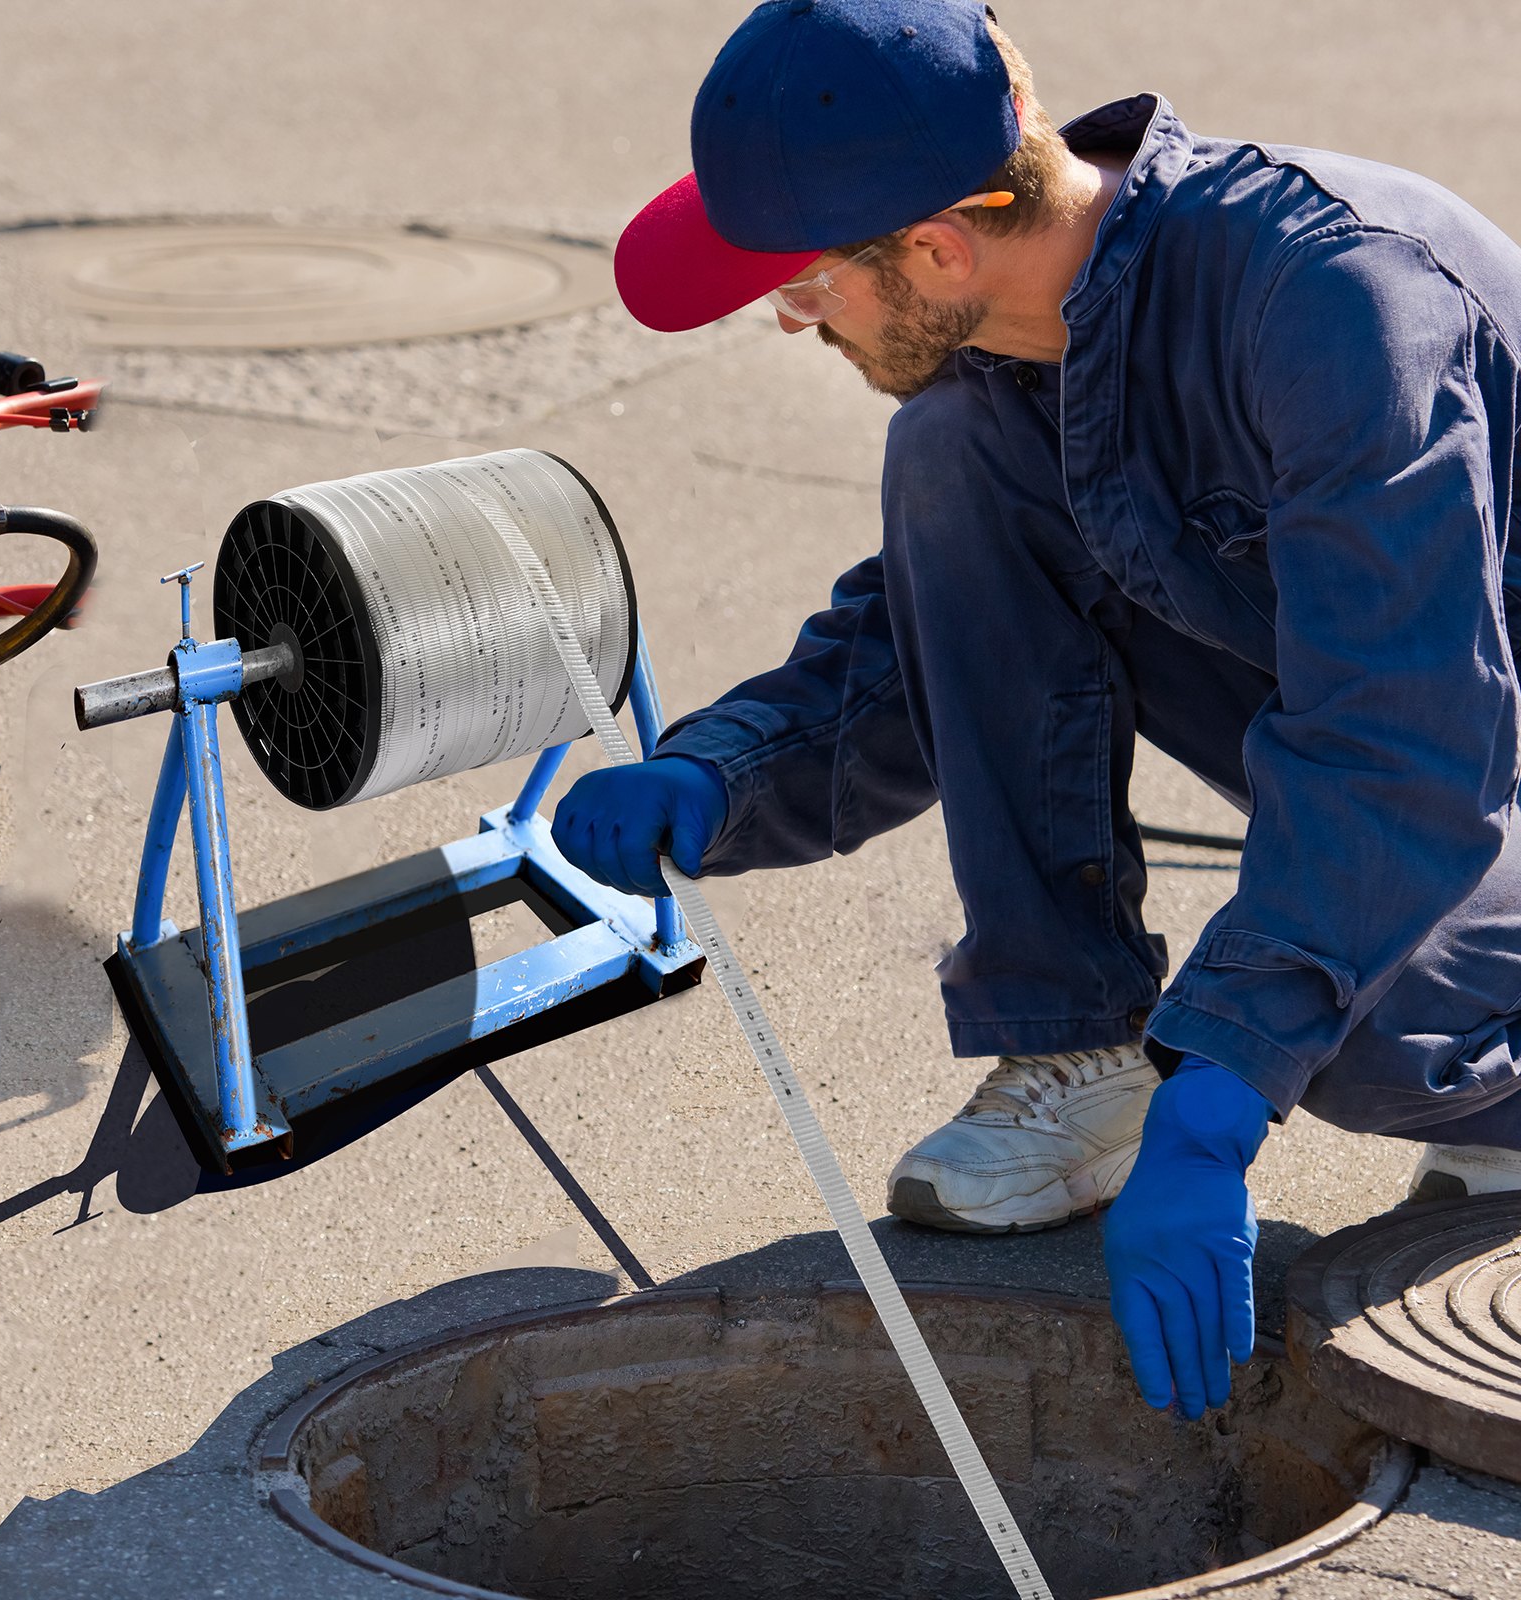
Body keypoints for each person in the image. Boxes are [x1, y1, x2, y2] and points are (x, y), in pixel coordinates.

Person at [552, 0, 1521, 1421]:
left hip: (1461, 734)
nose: (787, 317)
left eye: (808, 284)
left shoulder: (1336, 306)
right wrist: (720, 776)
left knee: (1369, 1044)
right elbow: (932, 642)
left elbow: (1398, 740)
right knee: (951, 448)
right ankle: (1080, 1044)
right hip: (1424, 717)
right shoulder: (1030, 342)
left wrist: (1223, 1093)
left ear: (937, 247)